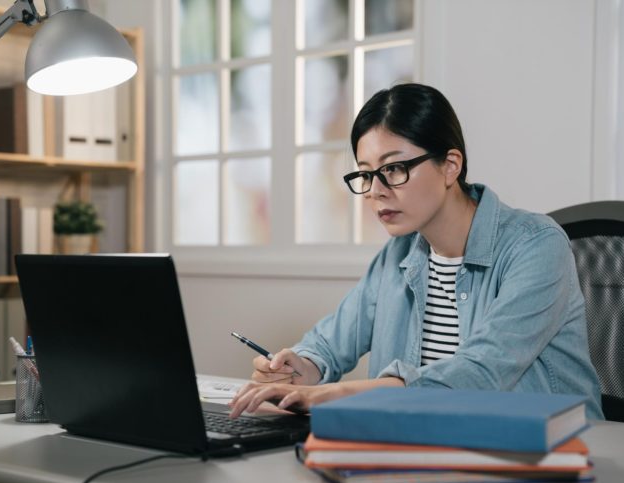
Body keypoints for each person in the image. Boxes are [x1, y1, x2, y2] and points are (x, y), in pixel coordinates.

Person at [229, 83, 603, 420]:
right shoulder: (399, 254)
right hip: (439, 445)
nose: (376, 190)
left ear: (450, 166)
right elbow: (330, 342)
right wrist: (300, 369)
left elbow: (480, 373)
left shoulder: (536, 245)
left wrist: (333, 394)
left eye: (393, 169)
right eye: (365, 174)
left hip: (550, 455)